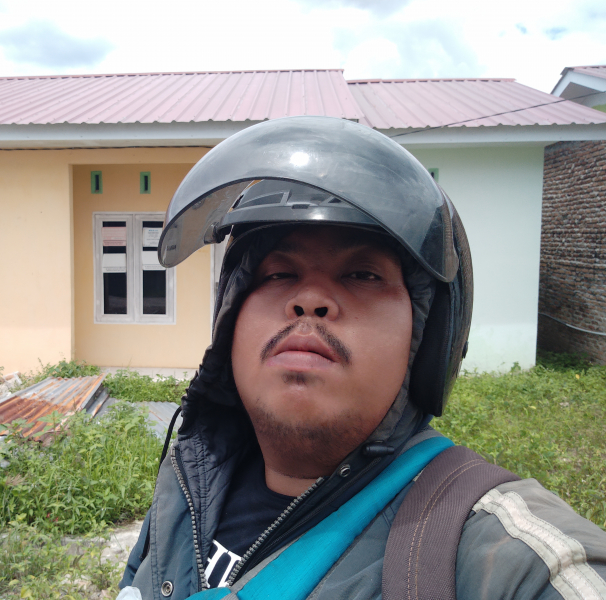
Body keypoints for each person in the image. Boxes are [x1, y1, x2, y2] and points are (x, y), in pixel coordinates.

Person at [119, 116, 606, 600]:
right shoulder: (186, 486)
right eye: (278, 274)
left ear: (428, 341)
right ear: (230, 323)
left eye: (363, 275)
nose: (310, 299)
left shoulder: (511, 559)